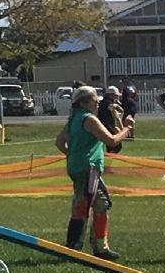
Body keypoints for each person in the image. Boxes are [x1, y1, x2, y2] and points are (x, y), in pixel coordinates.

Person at [55, 87, 133, 260]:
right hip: (88, 168)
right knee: (91, 205)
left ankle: (83, 245)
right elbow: (111, 141)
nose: (97, 103)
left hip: (77, 167)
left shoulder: (74, 118)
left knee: (92, 203)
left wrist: (72, 154)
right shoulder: (89, 119)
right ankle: (88, 247)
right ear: (84, 103)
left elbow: (59, 142)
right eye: (94, 100)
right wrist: (127, 129)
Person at [95, 88, 127, 154]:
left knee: (111, 145)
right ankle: (111, 156)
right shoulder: (107, 103)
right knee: (116, 145)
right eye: (116, 95)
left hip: (106, 125)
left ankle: (110, 155)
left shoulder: (105, 102)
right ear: (110, 95)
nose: (117, 97)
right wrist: (117, 106)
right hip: (107, 126)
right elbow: (111, 108)